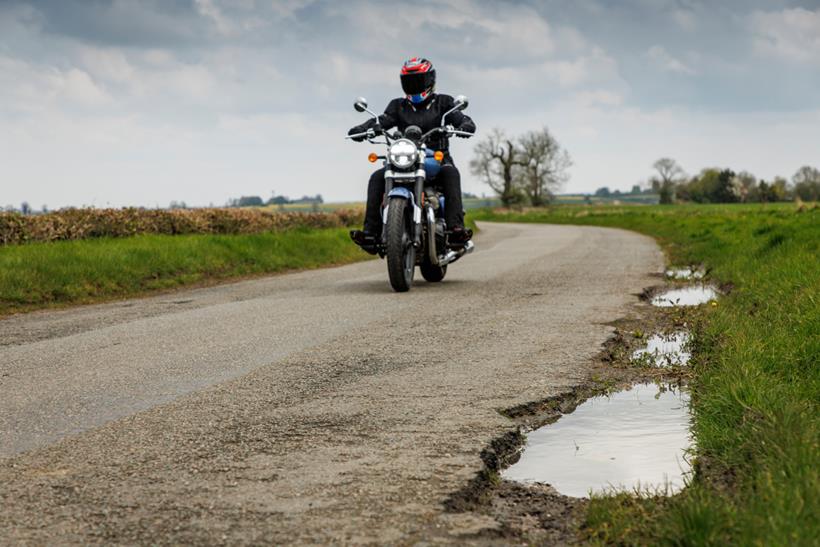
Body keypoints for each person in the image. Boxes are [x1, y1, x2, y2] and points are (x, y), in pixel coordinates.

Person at [348, 57, 476, 248]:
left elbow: (461, 119)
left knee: (451, 173)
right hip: (404, 158)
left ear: (430, 80)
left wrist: (465, 125)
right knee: (377, 177)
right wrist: (363, 128)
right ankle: (371, 233)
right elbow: (382, 120)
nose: (415, 86)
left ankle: (456, 229)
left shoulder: (444, 103)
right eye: (410, 81)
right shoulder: (397, 105)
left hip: (437, 157)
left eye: (419, 80)